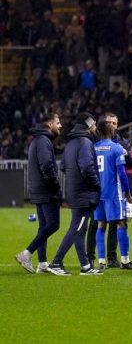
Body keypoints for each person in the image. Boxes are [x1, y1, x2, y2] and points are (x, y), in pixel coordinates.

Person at [46, 112, 103, 275]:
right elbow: (86, 168)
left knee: (80, 228)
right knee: (77, 228)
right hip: (84, 193)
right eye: (94, 123)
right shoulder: (85, 142)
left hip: (74, 191)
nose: (95, 127)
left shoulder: (71, 143)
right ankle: (56, 262)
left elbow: (64, 167)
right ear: (88, 124)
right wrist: (97, 184)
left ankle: (85, 266)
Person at [16, 112, 63, 274]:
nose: (60, 125)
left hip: (38, 189)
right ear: (50, 124)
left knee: (44, 226)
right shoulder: (44, 141)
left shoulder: (37, 140)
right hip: (46, 189)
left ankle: (42, 263)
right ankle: (26, 253)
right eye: (58, 122)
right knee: (53, 224)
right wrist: (55, 184)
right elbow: (47, 166)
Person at [93, 119, 132, 270]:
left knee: (101, 225)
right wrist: (128, 193)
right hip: (114, 193)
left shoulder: (93, 148)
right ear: (111, 131)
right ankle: (125, 260)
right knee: (121, 223)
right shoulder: (117, 148)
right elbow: (122, 173)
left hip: (98, 192)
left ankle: (101, 261)